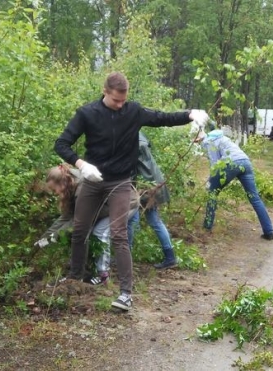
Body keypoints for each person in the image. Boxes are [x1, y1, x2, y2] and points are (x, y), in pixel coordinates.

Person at [54, 72, 208, 311]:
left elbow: (161, 118)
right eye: (116, 100)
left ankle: (126, 294)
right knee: (80, 229)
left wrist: (190, 115)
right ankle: (76, 280)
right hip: (93, 181)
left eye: (123, 100)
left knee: (119, 234)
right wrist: (81, 165)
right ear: (105, 92)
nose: (120, 105)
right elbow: (61, 143)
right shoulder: (87, 114)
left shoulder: (132, 111)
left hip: (120, 182)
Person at [36, 165, 138, 285]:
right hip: (105, 206)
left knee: (100, 232)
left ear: (63, 182)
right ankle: (85, 271)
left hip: (125, 203)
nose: (56, 193)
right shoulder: (72, 185)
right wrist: (44, 238)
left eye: (55, 190)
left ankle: (103, 276)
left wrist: (53, 237)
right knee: (84, 232)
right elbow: (66, 217)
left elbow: (76, 223)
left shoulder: (82, 189)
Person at [194, 127, 273, 240]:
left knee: (212, 193)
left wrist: (211, 181)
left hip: (231, 164)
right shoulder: (223, 138)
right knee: (255, 198)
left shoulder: (208, 142)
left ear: (200, 139)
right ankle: (269, 232)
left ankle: (207, 227)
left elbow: (215, 164)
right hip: (245, 162)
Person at [126, 132, 178, 269]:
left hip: (146, 186)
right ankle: (170, 256)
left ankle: (126, 256)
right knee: (149, 220)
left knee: (133, 220)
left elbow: (131, 168)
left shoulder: (130, 140)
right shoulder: (138, 136)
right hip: (152, 183)